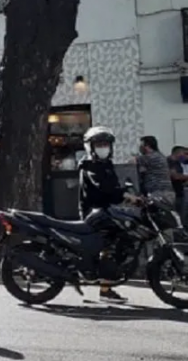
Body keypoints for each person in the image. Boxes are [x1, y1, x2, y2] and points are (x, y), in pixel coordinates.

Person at [78, 126, 137, 303]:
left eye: (106, 144)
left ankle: (107, 284)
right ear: (91, 147)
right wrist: (124, 195)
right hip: (94, 213)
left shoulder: (106, 164)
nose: (103, 147)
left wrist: (126, 195)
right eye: (99, 144)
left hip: (106, 210)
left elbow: (113, 189)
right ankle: (105, 288)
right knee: (111, 246)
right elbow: (103, 188)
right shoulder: (90, 166)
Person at [138, 136, 175, 203]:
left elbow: (132, 163)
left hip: (158, 193)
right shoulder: (161, 156)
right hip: (168, 192)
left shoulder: (146, 158)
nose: (139, 148)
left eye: (141, 145)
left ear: (147, 146)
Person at [168, 146, 187, 219]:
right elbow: (175, 176)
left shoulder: (178, 163)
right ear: (178, 153)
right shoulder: (169, 161)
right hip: (173, 193)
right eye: (185, 153)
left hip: (179, 192)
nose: (186, 156)